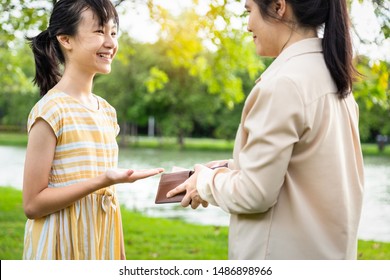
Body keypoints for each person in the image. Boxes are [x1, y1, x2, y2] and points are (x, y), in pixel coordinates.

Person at [168, 0, 364, 259]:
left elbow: (254, 194)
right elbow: (304, 168)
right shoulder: (335, 80)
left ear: (278, 6)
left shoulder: (284, 83)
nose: (248, 25)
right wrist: (232, 168)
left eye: (249, 11)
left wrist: (204, 181)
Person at [22, 0, 163, 260]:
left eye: (113, 32)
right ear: (66, 39)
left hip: (101, 241)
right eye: (99, 32)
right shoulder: (50, 111)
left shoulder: (107, 112)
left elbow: (107, 198)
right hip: (62, 246)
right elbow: (32, 204)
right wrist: (103, 181)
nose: (110, 42)